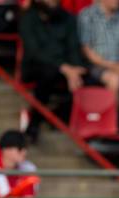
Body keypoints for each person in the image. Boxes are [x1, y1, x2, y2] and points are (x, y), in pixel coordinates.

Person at [19, 0, 86, 142]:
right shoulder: (28, 19)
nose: (52, 2)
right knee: (47, 74)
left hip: (66, 68)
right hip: (37, 66)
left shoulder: (68, 18)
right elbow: (34, 52)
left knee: (90, 79)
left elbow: (73, 47)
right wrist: (63, 67)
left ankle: (57, 116)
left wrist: (75, 69)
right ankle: (35, 123)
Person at [78, 0, 119, 94]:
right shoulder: (87, 15)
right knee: (114, 80)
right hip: (97, 66)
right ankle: (112, 109)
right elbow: (86, 50)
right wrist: (111, 66)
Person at [0, 130, 39, 198]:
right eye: (20, 148)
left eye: (25, 148)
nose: (24, 152)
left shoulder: (28, 168)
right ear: (6, 150)